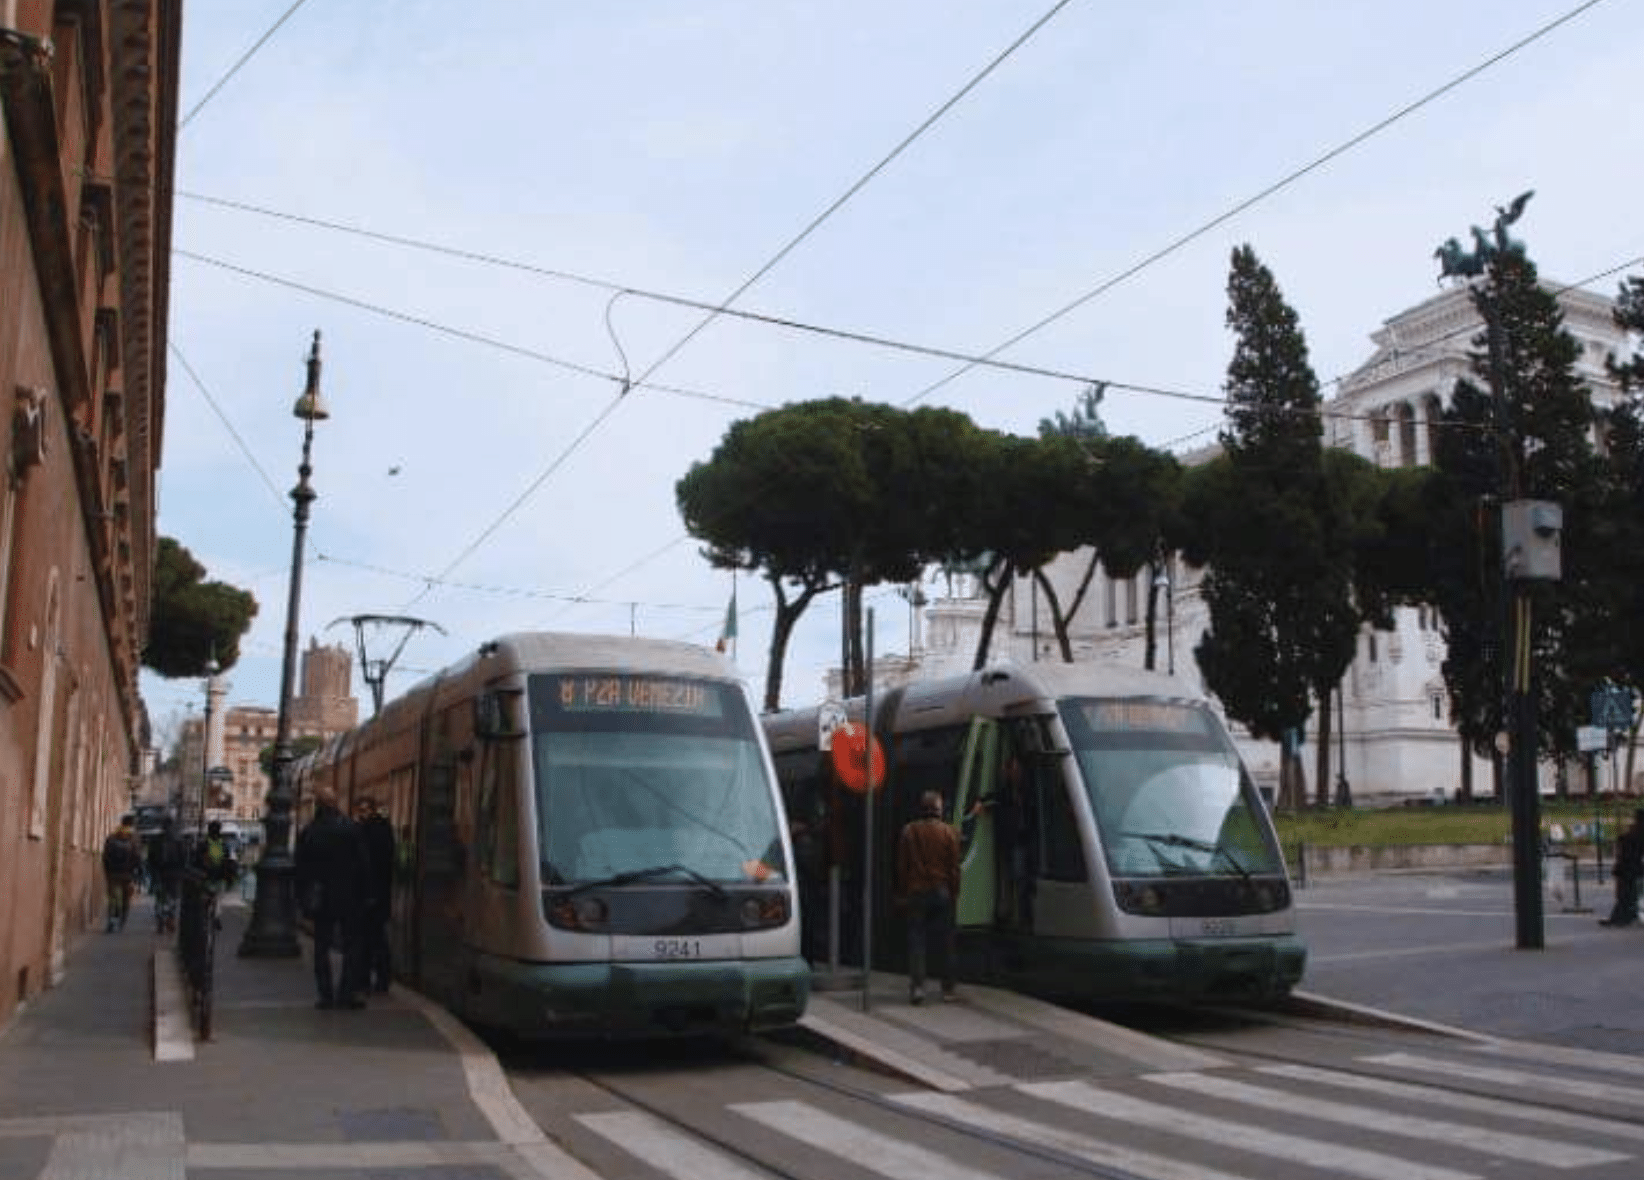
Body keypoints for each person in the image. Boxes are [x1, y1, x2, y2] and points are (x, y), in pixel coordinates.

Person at [296, 787, 373, 1009]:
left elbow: (301, 869)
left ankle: (325, 995)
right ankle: (346, 993)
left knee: (321, 947)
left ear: (317, 805)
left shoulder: (309, 831)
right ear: (336, 803)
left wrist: (302, 898)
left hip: (321, 899)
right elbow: (364, 865)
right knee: (352, 946)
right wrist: (367, 894)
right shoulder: (351, 828)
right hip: (350, 898)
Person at [896, 789, 962, 1005]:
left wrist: (902, 892)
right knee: (947, 941)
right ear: (938, 809)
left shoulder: (909, 831)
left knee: (917, 940)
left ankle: (918, 988)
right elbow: (954, 868)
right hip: (942, 891)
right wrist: (955, 892)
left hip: (916, 891)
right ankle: (948, 989)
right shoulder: (949, 832)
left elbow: (902, 866)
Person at [354, 796, 397, 993]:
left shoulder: (364, 832)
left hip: (368, 896)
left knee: (366, 940)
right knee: (378, 939)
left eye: (363, 811)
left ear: (370, 810)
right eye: (360, 811)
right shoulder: (385, 829)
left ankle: (365, 979)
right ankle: (382, 979)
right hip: (381, 896)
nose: (361, 815)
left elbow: (363, 866)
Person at [1599, 809, 1644, 927]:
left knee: (1624, 894)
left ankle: (1621, 918)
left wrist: (1621, 839)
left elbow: (1629, 843)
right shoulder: (1637, 830)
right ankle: (1627, 915)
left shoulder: (1636, 831)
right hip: (1632, 866)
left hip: (1627, 867)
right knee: (1629, 893)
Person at [100, 817, 143, 932]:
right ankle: (122, 921)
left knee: (113, 898)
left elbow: (105, 856)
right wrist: (138, 875)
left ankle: (111, 920)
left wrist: (107, 871)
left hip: (113, 873)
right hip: (128, 874)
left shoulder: (111, 837)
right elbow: (138, 858)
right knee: (125, 899)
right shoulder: (134, 839)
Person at [147, 817, 187, 933]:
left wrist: (153, 873)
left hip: (159, 873)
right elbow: (184, 859)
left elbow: (150, 859)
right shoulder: (178, 840)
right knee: (173, 899)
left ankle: (160, 921)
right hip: (175, 874)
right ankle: (170, 920)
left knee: (160, 898)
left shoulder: (156, 840)